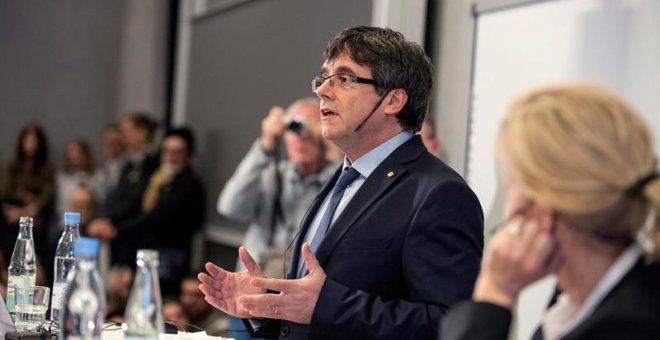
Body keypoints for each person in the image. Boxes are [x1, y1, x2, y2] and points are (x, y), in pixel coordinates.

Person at [199, 26, 484, 339]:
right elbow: (310, 309)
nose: (322, 90)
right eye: (323, 78)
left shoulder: (439, 193)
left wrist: (327, 306)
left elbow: (452, 325)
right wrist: (266, 305)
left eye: (345, 79)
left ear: (393, 101)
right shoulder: (342, 179)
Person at [442, 84, 660, 340]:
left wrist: (495, 292)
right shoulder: (576, 302)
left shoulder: (625, 327)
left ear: (542, 214)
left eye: (510, 188)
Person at [218, 97, 336, 278]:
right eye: (294, 127)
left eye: (311, 127)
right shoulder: (268, 174)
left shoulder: (339, 182)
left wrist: (333, 147)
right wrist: (265, 146)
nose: (301, 137)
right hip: (254, 287)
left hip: (301, 295)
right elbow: (229, 207)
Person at [88, 127, 205, 295]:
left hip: (168, 260)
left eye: (178, 152)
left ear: (188, 156)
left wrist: (115, 230)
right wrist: (106, 220)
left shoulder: (190, 184)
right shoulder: (158, 178)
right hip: (141, 250)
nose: (171, 157)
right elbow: (133, 204)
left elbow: (155, 218)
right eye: (167, 151)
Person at [88, 113, 159, 266]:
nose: (123, 137)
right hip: (118, 231)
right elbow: (116, 197)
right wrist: (103, 219)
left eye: (127, 131)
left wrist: (115, 227)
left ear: (142, 132)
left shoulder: (153, 164)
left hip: (138, 235)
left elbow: (137, 202)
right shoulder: (128, 164)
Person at [1, 123, 55, 262]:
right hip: (13, 209)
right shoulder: (12, 164)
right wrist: (21, 196)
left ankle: (35, 262)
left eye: (34, 141)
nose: (30, 145)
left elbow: (48, 196)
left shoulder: (45, 167)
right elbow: (5, 190)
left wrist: (29, 205)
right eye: (28, 140)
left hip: (36, 212)